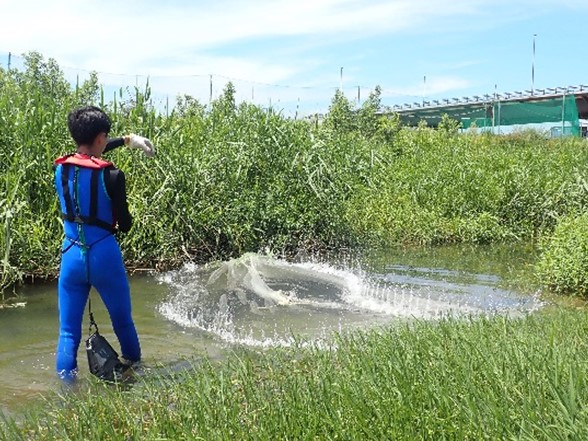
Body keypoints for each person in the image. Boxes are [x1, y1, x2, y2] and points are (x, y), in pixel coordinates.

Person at [54, 105, 155, 381]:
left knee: (67, 333)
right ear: (100, 137)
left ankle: (66, 392)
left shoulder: (60, 169)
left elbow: (87, 157)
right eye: (105, 137)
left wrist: (124, 141)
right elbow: (125, 224)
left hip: (71, 255)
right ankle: (135, 375)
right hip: (104, 256)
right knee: (123, 322)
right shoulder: (113, 176)